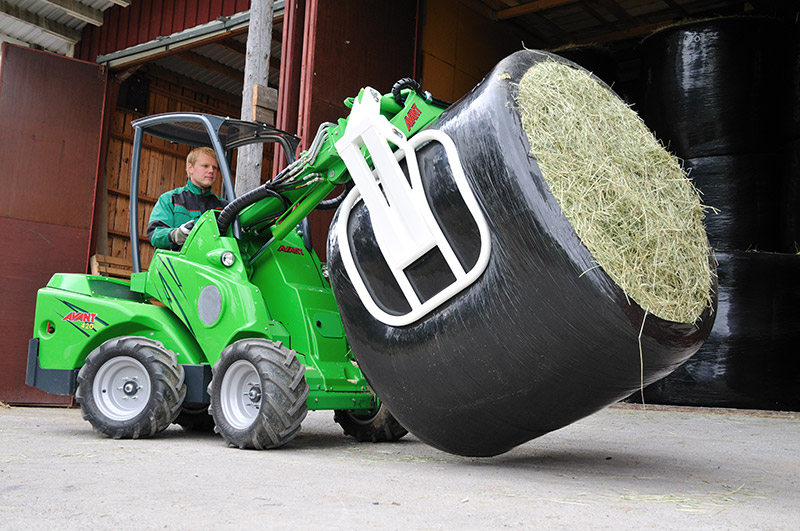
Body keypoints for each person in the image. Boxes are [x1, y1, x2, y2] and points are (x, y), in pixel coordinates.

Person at [147, 147, 227, 250]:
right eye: (205, 166)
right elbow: (155, 234)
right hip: (175, 264)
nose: (211, 171)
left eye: (215, 167)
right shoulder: (170, 199)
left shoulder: (223, 206)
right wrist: (175, 235)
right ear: (190, 168)